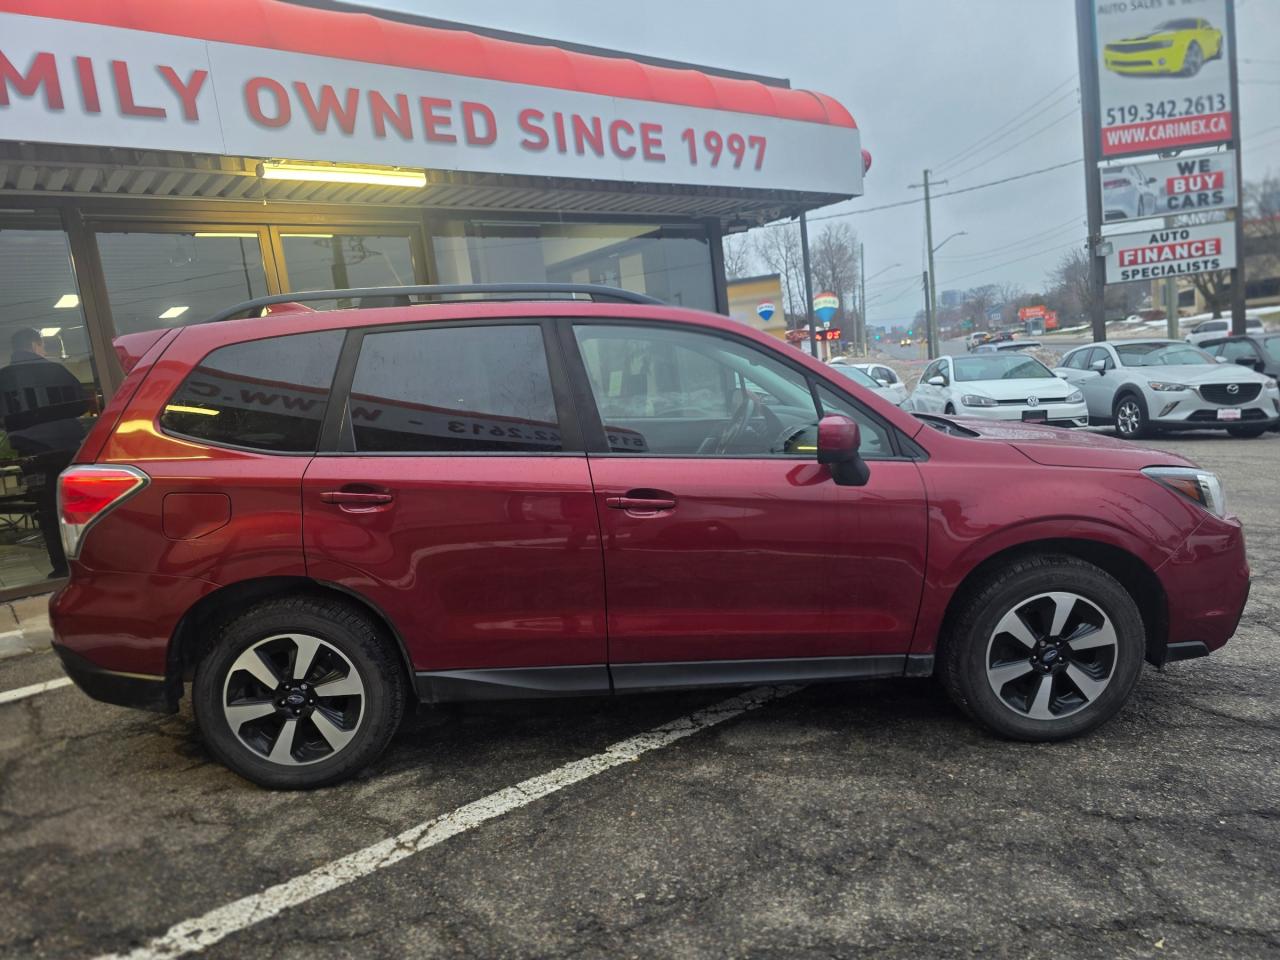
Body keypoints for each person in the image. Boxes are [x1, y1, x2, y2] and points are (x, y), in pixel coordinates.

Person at [0, 328, 88, 578]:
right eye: (43, 346)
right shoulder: (56, 371)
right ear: (36, 345)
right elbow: (81, 404)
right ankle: (85, 561)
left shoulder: (4, 378)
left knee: (46, 509)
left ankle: (60, 566)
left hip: (31, 453)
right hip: (67, 448)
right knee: (77, 504)